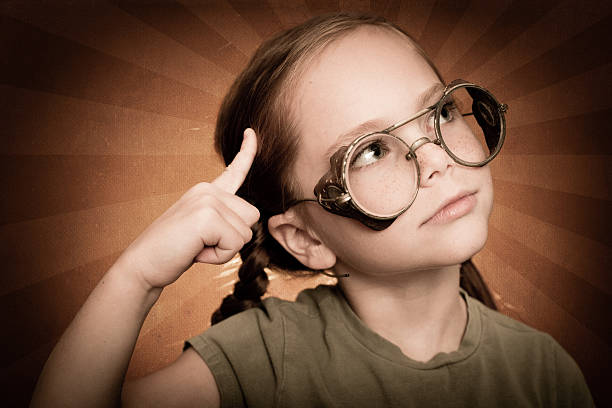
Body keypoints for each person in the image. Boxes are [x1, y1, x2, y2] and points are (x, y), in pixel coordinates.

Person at [30, 12, 594, 408]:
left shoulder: (544, 371)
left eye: (439, 114)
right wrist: (137, 277)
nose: (435, 161)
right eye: (371, 150)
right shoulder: (265, 359)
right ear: (305, 238)